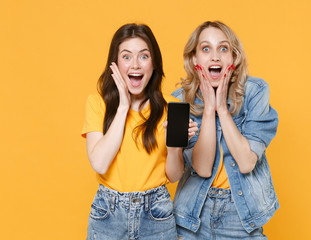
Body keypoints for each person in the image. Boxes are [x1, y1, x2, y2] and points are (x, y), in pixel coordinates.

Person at [81, 23, 197, 240]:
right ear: (114, 65)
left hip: (156, 214)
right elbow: (99, 163)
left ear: (154, 63)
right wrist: (123, 106)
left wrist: (174, 147)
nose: (135, 64)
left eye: (144, 56)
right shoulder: (97, 104)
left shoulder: (171, 108)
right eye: (126, 57)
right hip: (108, 213)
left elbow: (174, 176)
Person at [172, 21, 279, 239]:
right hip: (194, 215)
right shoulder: (180, 102)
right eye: (205, 49)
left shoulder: (255, 92)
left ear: (233, 57)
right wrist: (209, 109)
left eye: (223, 48)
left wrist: (222, 108)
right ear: (194, 59)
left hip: (241, 215)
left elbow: (246, 161)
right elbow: (202, 168)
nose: (215, 57)